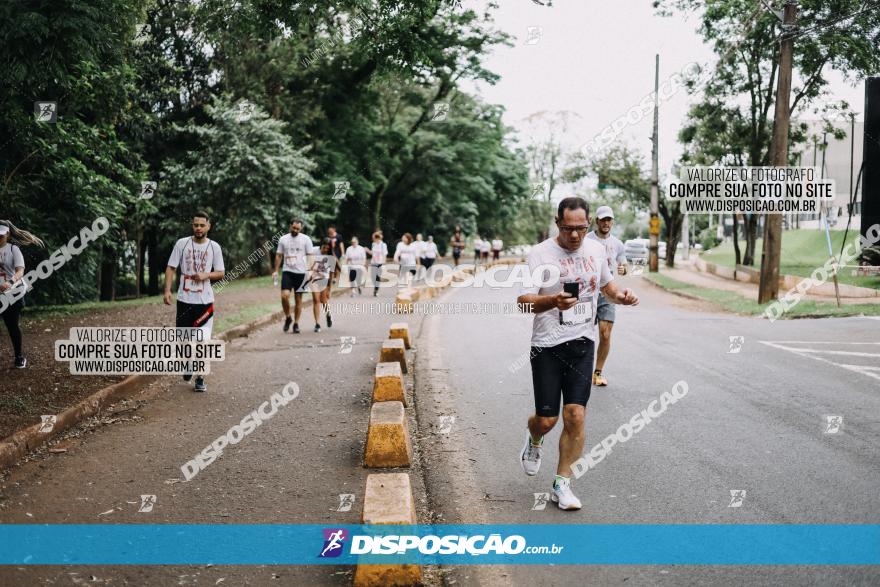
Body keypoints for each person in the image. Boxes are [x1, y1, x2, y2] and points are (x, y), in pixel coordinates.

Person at [516, 197, 638, 510]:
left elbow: (608, 287)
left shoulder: (596, 250)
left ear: (588, 226)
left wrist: (622, 296)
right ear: (558, 223)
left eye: (581, 229)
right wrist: (553, 301)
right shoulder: (540, 254)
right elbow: (524, 301)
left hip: (582, 342)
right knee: (546, 419)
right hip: (546, 344)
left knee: (576, 415)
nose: (575, 236)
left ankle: (562, 484)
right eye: (568, 229)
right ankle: (534, 439)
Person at [164, 212, 226, 393]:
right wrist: (167, 291)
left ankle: (200, 377)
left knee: (202, 341)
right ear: (192, 226)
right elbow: (171, 267)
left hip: (205, 301)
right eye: (195, 225)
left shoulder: (214, 247)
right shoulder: (182, 244)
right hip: (184, 299)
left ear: (208, 226)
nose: (198, 228)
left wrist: (206, 274)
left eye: (202, 225)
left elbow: (221, 272)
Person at [586, 206, 629, 387]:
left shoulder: (618, 244)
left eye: (608, 220)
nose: (605, 223)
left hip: (607, 293)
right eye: (602, 220)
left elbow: (624, 265)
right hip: (587, 293)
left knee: (605, 334)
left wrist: (623, 268)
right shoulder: (586, 239)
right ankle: (580, 370)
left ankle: (597, 373)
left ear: (612, 221)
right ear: (596, 221)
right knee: (582, 335)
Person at [0, 221, 44, 369]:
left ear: (7, 234)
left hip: (14, 293)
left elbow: (20, 271)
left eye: (1, 235)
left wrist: (10, 282)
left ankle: (19, 356)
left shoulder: (14, 249)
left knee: (12, 325)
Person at [273, 219, 317, 334]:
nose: (296, 230)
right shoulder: (283, 239)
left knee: (298, 300)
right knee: (284, 296)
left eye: (298, 229)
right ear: (290, 226)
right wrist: (276, 271)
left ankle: (296, 323)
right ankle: (288, 317)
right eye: (294, 228)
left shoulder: (306, 239)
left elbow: (310, 256)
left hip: (301, 273)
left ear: (301, 228)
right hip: (288, 271)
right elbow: (278, 255)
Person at [308, 238, 335, 331]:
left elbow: (331, 273)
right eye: (324, 247)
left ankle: (328, 314)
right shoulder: (314, 250)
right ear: (321, 245)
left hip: (324, 279)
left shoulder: (330, 256)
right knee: (316, 300)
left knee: (324, 301)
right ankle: (317, 324)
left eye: (328, 248)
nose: (325, 250)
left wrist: (329, 289)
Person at [369, 231, 388, 297]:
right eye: (376, 237)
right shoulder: (373, 244)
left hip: (380, 263)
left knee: (377, 277)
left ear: (380, 238)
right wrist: (368, 251)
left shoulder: (383, 245)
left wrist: (384, 263)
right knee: (372, 277)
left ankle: (376, 290)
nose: (376, 239)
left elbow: (385, 254)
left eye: (378, 237)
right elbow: (372, 253)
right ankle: (376, 287)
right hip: (373, 262)